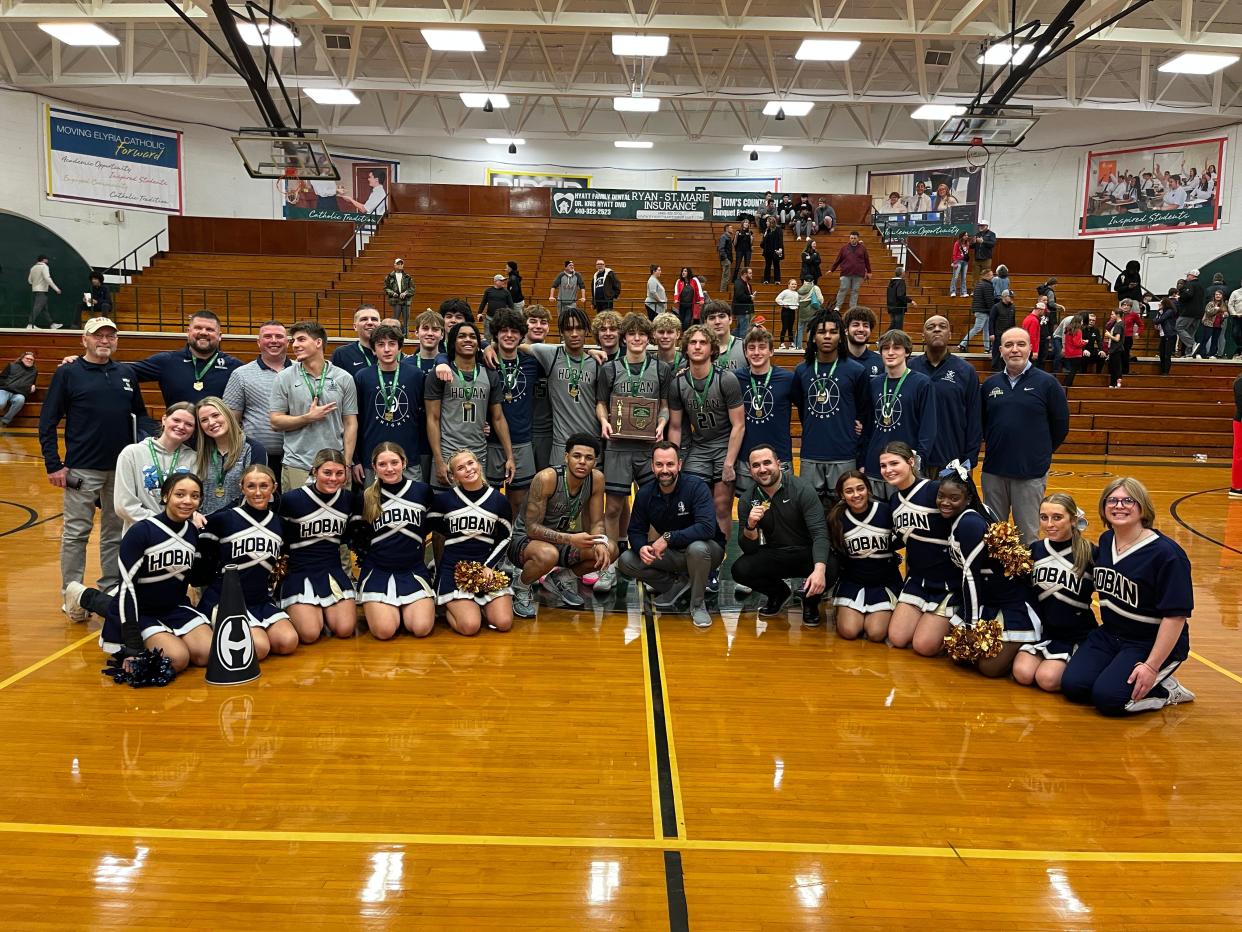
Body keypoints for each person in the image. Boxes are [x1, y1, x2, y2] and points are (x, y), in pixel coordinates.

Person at [39, 318, 149, 626]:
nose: (105, 340)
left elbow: (139, 413)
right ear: (84, 340)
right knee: (76, 533)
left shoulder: (125, 373)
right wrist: (54, 464)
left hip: (122, 470)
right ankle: (71, 593)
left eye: (110, 336)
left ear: (116, 341)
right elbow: (47, 421)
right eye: (98, 335)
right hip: (82, 469)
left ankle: (109, 587)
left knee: (116, 531)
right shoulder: (68, 373)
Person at [1061, 478, 1196, 714]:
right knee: (1074, 687)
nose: (1119, 506)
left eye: (1128, 500)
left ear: (1142, 506)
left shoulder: (1167, 554)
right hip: (1110, 634)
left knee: (1108, 700)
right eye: (1112, 500)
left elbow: (1175, 617)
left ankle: (1165, 690)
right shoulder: (1106, 541)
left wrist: (1151, 667)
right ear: (1104, 507)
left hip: (1148, 641)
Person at [67, 473, 211, 668]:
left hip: (174, 607)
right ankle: (88, 598)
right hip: (140, 610)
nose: (187, 501)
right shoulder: (142, 532)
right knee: (177, 659)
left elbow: (194, 577)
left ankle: (85, 595)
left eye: (195, 496)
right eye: (180, 494)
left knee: (206, 654)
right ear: (165, 496)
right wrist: (133, 647)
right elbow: (127, 588)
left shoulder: (193, 532)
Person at [595, 313, 672, 593]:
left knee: (653, 509)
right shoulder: (610, 369)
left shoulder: (661, 369)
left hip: (648, 448)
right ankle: (609, 567)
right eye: (631, 334)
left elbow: (664, 404)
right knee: (613, 508)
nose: (637, 338)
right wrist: (603, 420)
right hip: (617, 447)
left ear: (647, 338)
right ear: (624, 338)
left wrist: (662, 423)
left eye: (642, 334)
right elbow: (601, 403)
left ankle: (651, 566)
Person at [939, 468, 1041, 676]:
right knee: (960, 657)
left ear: (968, 499)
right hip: (988, 597)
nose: (945, 502)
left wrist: (971, 625)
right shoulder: (973, 512)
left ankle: (1027, 645)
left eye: (953, 498)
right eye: (941, 496)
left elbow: (970, 577)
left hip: (1008, 600)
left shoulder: (969, 523)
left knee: (989, 669)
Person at [617, 442, 726, 629]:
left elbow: (707, 528)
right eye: (659, 465)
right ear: (652, 466)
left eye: (670, 464)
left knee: (697, 548)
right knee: (626, 560)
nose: (665, 470)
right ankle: (678, 585)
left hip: (708, 551)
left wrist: (668, 537)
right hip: (674, 554)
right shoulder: (645, 494)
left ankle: (698, 605)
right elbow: (635, 531)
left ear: (679, 465)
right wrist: (641, 547)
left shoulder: (696, 487)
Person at [196, 463, 298, 660]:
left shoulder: (281, 524)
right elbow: (199, 553)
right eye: (251, 486)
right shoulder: (222, 520)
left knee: (287, 642)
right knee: (259, 648)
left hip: (259, 598)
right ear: (241, 488)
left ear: (274, 488)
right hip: (227, 600)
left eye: (264, 486)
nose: (258, 492)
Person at [667, 324, 745, 583]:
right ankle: (693, 559)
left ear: (712, 348)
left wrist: (729, 462)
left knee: (721, 507)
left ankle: (715, 564)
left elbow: (739, 424)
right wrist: (674, 459)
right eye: (693, 342)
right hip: (698, 449)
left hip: (724, 446)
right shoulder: (678, 382)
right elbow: (676, 426)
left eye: (703, 342)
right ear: (686, 348)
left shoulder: (726, 379)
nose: (698, 346)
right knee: (692, 508)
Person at [509, 433, 615, 618]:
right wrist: (570, 538)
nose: (582, 462)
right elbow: (532, 528)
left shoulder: (596, 479)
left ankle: (560, 579)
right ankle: (521, 586)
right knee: (548, 554)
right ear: (566, 457)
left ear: (595, 462)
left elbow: (597, 522)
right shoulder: (547, 479)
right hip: (526, 541)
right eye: (577, 456)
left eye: (589, 458)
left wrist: (600, 541)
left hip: (563, 540)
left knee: (609, 549)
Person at [981, 328, 1070, 544]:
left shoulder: (1047, 383)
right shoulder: (990, 385)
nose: (1015, 350)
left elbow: (1061, 425)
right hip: (994, 471)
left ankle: (1026, 578)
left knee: (1027, 536)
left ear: (1031, 348)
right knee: (994, 534)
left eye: (1021, 344)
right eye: (1009, 345)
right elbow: (983, 424)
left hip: (1030, 473)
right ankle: (995, 578)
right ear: (1000, 350)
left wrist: (1038, 452)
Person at [733, 444, 833, 624]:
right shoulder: (748, 499)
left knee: (831, 567)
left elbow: (820, 533)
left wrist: (819, 570)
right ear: (750, 470)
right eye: (756, 465)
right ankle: (778, 593)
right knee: (741, 569)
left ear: (778, 464)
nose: (762, 469)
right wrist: (750, 526)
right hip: (776, 553)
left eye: (767, 463)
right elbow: (749, 549)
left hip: (806, 553)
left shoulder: (802, 488)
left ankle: (811, 602)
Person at [1013, 492, 1097, 693]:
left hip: (1075, 632)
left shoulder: (1091, 553)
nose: (1049, 524)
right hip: (1043, 632)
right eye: (1044, 517)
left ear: (1073, 520)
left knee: (1047, 679)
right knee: (1023, 674)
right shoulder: (1034, 550)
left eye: (1057, 518)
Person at [880, 442, 957, 655]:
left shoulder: (934, 489)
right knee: (897, 638)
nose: (888, 470)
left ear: (911, 462)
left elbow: (967, 521)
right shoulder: (894, 500)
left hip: (947, 581)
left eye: (894, 463)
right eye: (883, 466)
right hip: (917, 579)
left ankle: (956, 619)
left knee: (924, 646)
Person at [353, 442, 436, 639]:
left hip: (413, 569)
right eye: (382, 464)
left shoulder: (422, 491)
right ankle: (384, 606)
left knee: (421, 628)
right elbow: (359, 540)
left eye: (394, 462)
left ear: (404, 463)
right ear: (374, 467)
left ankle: (407, 605)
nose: (389, 469)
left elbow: (428, 529)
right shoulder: (365, 497)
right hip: (378, 571)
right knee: (384, 631)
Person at [429, 449, 515, 636]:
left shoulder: (499, 500)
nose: (468, 469)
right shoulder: (444, 501)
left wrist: (489, 566)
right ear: (453, 476)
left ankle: (476, 605)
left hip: (485, 568)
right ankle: (448, 606)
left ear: (478, 464)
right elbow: (432, 525)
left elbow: (506, 536)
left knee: (503, 622)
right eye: (461, 468)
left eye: (471, 463)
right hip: (454, 569)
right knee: (470, 627)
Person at [277, 448, 357, 642]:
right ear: (314, 471)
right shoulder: (291, 500)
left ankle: (323, 611)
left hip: (332, 570)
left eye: (339, 473)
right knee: (310, 634)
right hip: (299, 572)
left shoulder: (349, 500)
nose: (333, 479)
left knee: (345, 630)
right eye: (327, 473)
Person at [269, 320, 359, 493]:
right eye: (293, 340)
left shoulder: (343, 378)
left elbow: (350, 423)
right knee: (296, 517)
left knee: (336, 518)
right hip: (297, 463)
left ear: (318, 342)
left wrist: (346, 463)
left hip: (334, 465)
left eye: (301, 339)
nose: (295, 345)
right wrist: (307, 418)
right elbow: (275, 421)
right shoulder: (284, 377)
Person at [425, 320, 513, 490]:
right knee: (443, 510)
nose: (468, 340)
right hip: (447, 452)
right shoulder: (440, 373)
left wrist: (510, 456)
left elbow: (498, 418)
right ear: (453, 342)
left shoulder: (489, 373)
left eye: (473, 337)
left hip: (478, 453)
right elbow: (432, 419)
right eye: (462, 336)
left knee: (475, 510)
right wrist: (438, 460)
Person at [793, 310, 871, 504]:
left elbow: (864, 411)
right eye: (821, 332)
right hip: (811, 453)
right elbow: (803, 409)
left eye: (833, 331)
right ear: (812, 338)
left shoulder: (856, 370)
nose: (827, 336)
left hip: (844, 454)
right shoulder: (802, 370)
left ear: (841, 336)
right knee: (810, 511)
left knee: (843, 510)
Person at [828, 470, 903, 642]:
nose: (856, 495)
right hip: (853, 581)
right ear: (841, 494)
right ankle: (845, 610)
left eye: (860, 488)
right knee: (849, 632)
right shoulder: (836, 518)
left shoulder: (886, 511)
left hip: (884, 581)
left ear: (868, 489)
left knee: (876, 634)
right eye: (849, 491)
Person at [863, 330, 936, 499]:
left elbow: (928, 427)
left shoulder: (922, 383)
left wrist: (918, 461)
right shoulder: (873, 384)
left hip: (905, 468)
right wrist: (862, 461)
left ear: (907, 352)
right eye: (885, 348)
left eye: (896, 348)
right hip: (875, 466)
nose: (890, 352)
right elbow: (867, 427)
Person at [522, 307, 606, 456]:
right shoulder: (551, 355)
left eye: (579, 328)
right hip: (562, 444)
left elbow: (602, 403)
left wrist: (590, 352)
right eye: (568, 329)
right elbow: (516, 346)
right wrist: (491, 347)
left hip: (591, 441)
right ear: (561, 332)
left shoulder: (597, 363)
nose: (574, 334)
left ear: (586, 330)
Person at [353, 323, 425, 485]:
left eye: (392, 344)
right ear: (373, 349)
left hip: (409, 457)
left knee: (411, 504)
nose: (386, 349)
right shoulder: (362, 377)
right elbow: (355, 420)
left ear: (399, 347)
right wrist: (356, 459)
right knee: (374, 506)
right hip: (372, 458)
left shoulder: (416, 375)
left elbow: (426, 414)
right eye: (380, 344)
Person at [909, 316, 981, 476]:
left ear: (949, 334)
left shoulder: (966, 371)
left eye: (942, 326)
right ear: (922, 335)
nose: (936, 329)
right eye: (930, 327)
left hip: (952, 461)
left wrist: (969, 459)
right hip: (913, 460)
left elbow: (974, 418)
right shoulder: (909, 367)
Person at [487, 309, 543, 515]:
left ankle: (513, 545)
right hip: (490, 441)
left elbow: (563, 353)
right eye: (503, 331)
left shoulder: (532, 362)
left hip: (522, 440)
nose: (509, 335)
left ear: (521, 335)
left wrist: (590, 351)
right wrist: (486, 347)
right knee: (489, 501)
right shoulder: (485, 362)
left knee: (519, 502)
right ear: (496, 334)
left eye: (514, 331)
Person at [734, 326, 796, 504]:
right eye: (751, 348)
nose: (756, 352)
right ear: (745, 352)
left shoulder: (787, 379)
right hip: (746, 458)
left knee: (783, 509)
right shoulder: (735, 379)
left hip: (780, 457)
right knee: (748, 509)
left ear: (771, 351)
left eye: (762, 347)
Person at [114, 402, 199, 533]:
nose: (181, 426)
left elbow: (194, 502)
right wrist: (163, 523)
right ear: (164, 419)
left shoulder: (194, 459)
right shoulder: (132, 453)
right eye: (176, 420)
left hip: (179, 535)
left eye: (189, 424)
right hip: (142, 533)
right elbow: (124, 506)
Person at [223, 320, 291, 483]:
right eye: (267, 336)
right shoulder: (241, 374)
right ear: (259, 342)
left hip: (296, 458)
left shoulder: (301, 371)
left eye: (279, 336)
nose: (274, 340)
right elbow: (231, 419)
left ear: (287, 342)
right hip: (256, 456)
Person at [128, 310, 243, 407]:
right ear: (188, 332)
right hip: (179, 431)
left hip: (217, 431)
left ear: (220, 336)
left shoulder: (235, 367)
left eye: (210, 329)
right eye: (198, 328)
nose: (203, 332)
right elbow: (123, 372)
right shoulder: (166, 361)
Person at [194, 396, 267, 515]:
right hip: (202, 525)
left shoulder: (253, 449)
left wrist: (214, 518)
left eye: (215, 415)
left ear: (227, 414)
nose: (211, 422)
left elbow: (253, 493)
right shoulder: (200, 452)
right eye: (204, 420)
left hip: (239, 523)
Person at [331, 305, 382, 374]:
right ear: (355, 326)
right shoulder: (341, 354)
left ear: (380, 325)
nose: (370, 322)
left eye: (374, 319)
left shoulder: (390, 352)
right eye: (364, 319)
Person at [703, 300, 747, 370]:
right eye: (712, 318)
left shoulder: (744, 346)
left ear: (730, 319)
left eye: (722, 316)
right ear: (705, 323)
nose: (717, 322)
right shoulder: (700, 348)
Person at [959, 268, 995, 351]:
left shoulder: (979, 284)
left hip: (980, 310)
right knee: (977, 328)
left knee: (986, 330)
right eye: (991, 275)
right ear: (987, 276)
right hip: (983, 311)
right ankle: (962, 344)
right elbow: (989, 300)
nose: (992, 276)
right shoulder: (987, 285)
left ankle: (987, 348)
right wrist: (992, 311)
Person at [842, 306, 883, 378]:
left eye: (865, 325)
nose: (861, 329)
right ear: (846, 330)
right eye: (856, 325)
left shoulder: (881, 361)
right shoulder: (836, 360)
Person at [0, 350, 37, 428]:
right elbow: (1, 378)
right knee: (1, 403)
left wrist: (33, 386)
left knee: (20, 400)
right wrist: (8, 385)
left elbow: (32, 382)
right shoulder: (11, 365)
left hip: (19, 393)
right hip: (5, 390)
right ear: (22, 358)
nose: (29, 360)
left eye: (31, 359)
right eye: (27, 358)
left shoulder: (34, 371)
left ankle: (5, 421)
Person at [1175, 268, 1205, 358]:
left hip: (1188, 312)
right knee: (1190, 333)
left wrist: (1179, 298)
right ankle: (1189, 353)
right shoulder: (1201, 286)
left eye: (1188, 275)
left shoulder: (1190, 284)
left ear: (1192, 276)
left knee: (1179, 327)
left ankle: (1192, 344)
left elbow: (1188, 294)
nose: (1186, 277)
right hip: (1198, 313)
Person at [27, 255, 62, 329]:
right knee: (37, 307)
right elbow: (47, 278)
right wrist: (56, 289)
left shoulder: (33, 268)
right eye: (47, 259)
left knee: (44, 309)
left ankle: (52, 324)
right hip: (42, 291)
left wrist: (36, 282)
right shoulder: (44, 267)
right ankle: (30, 324)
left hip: (35, 290)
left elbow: (30, 281)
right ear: (44, 260)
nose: (48, 261)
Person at [988, 289, 1017, 371]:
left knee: (1007, 352)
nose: (1011, 298)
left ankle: (1005, 369)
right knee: (997, 352)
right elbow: (991, 320)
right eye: (1010, 297)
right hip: (998, 334)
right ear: (1004, 296)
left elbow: (1013, 321)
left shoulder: (1012, 307)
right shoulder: (996, 307)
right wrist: (991, 333)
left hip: (1008, 335)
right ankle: (995, 369)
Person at [383, 259, 415, 333]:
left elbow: (412, 288)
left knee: (406, 321)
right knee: (395, 320)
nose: (400, 265)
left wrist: (406, 293)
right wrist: (392, 293)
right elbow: (386, 288)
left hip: (406, 301)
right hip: (396, 300)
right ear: (394, 265)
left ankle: (406, 337)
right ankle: (394, 335)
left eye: (401, 264)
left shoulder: (407, 277)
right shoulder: (389, 277)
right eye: (398, 264)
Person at [794, 277, 825, 350]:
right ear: (813, 280)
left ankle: (798, 346)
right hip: (811, 310)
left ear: (804, 281)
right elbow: (820, 299)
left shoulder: (800, 289)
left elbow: (797, 300)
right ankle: (809, 346)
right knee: (810, 328)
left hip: (801, 311)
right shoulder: (815, 288)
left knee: (799, 328)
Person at [885, 266, 914, 333]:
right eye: (904, 272)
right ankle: (886, 339)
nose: (905, 273)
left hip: (891, 306)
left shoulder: (891, 282)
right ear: (902, 273)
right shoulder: (901, 282)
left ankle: (883, 339)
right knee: (898, 326)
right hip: (899, 307)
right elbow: (900, 295)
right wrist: (910, 301)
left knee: (893, 325)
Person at [1154, 297, 1178, 375]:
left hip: (1169, 334)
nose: (1159, 305)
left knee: (1167, 355)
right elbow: (1155, 320)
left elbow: (1159, 320)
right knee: (1162, 354)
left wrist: (1156, 320)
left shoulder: (1169, 311)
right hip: (1163, 334)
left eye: (1161, 303)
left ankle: (1166, 372)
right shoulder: (1161, 312)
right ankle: (1162, 370)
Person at [1061, 315, 1086, 389]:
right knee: (1073, 371)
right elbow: (1077, 343)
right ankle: (1067, 385)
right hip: (1076, 353)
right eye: (1081, 321)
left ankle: (1066, 384)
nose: (1082, 323)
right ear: (1078, 321)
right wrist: (1084, 342)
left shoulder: (1068, 329)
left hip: (1069, 353)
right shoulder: (1078, 330)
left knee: (1071, 370)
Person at [1103, 308, 1126, 388]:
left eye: (1112, 314)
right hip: (1115, 349)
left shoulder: (1118, 325)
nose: (1111, 316)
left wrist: (1109, 335)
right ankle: (1113, 384)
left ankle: (1116, 383)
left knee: (1115, 368)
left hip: (1116, 349)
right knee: (1113, 367)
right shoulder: (1118, 324)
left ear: (1118, 315)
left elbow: (1117, 339)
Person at [775, 279, 801, 349]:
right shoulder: (785, 292)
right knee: (784, 327)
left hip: (792, 312)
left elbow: (797, 301)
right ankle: (782, 343)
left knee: (790, 328)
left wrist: (797, 305)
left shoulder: (796, 293)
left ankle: (791, 343)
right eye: (792, 284)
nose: (794, 285)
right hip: (785, 311)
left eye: (795, 284)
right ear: (788, 285)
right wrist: (783, 304)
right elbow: (777, 299)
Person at [1201, 288, 1227, 358]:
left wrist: (1225, 315)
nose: (1217, 296)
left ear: (1222, 296)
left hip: (1218, 325)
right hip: (1209, 324)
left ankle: (1212, 354)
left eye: (1219, 294)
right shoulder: (1210, 303)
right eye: (1216, 294)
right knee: (1205, 338)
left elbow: (1226, 313)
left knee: (1215, 340)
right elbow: (1208, 312)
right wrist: (1216, 309)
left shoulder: (1224, 304)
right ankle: (1202, 354)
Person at [732, 266, 755, 337]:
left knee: (739, 329)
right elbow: (739, 296)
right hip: (742, 310)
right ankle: (742, 346)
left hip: (746, 309)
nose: (751, 275)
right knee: (743, 331)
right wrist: (750, 297)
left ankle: (730, 340)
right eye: (750, 273)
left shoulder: (747, 284)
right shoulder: (738, 283)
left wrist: (751, 297)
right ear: (745, 274)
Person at [760, 216, 784, 285]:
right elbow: (763, 242)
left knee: (776, 265)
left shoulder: (778, 229)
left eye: (767, 221)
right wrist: (765, 235)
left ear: (771, 222)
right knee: (767, 265)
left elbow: (780, 240)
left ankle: (777, 280)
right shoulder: (767, 230)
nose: (766, 222)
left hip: (776, 250)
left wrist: (780, 249)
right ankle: (766, 279)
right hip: (768, 250)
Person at [949, 232, 970, 298]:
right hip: (958, 261)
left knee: (964, 277)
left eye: (967, 235)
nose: (967, 236)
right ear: (962, 236)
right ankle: (953, 291)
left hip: (965, 262)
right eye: (965, 235)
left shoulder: (967, 243)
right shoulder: (957, 243)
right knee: (955, 277)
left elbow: (966, 253)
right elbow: (954, 254)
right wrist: (954, 262)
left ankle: (963, 292)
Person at [717, 224, 735, 292]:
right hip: (725, 260)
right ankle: (722, 292)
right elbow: (721, 248)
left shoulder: (728, 237)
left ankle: (723, 292)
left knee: (726, 277)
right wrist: (726, 259)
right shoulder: (724, 237)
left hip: (728, 259)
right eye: (731, 228)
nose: (732, 229)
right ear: (727, 229)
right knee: (725, 277)